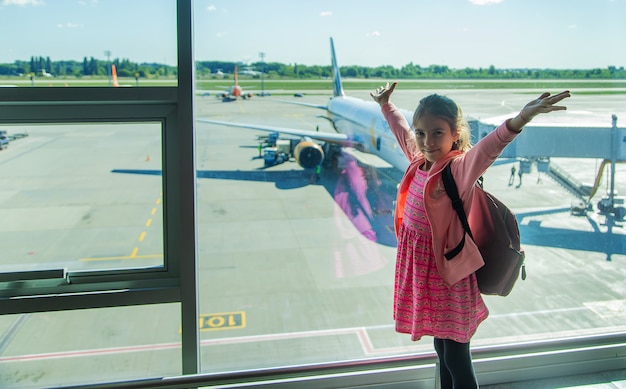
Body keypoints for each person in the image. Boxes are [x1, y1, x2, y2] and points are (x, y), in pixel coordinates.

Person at [370, 82, 570, 388]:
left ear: (456, 134)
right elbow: (401, 132)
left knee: (456, 355)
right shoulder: (418, 160)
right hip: (426, 273)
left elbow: (489, 148)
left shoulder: (456, 170)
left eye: (438, 132)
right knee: (442, 348)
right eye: (421, 132)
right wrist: (386, 105)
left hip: (447, 276)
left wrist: (521, 119)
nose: (427, 141)